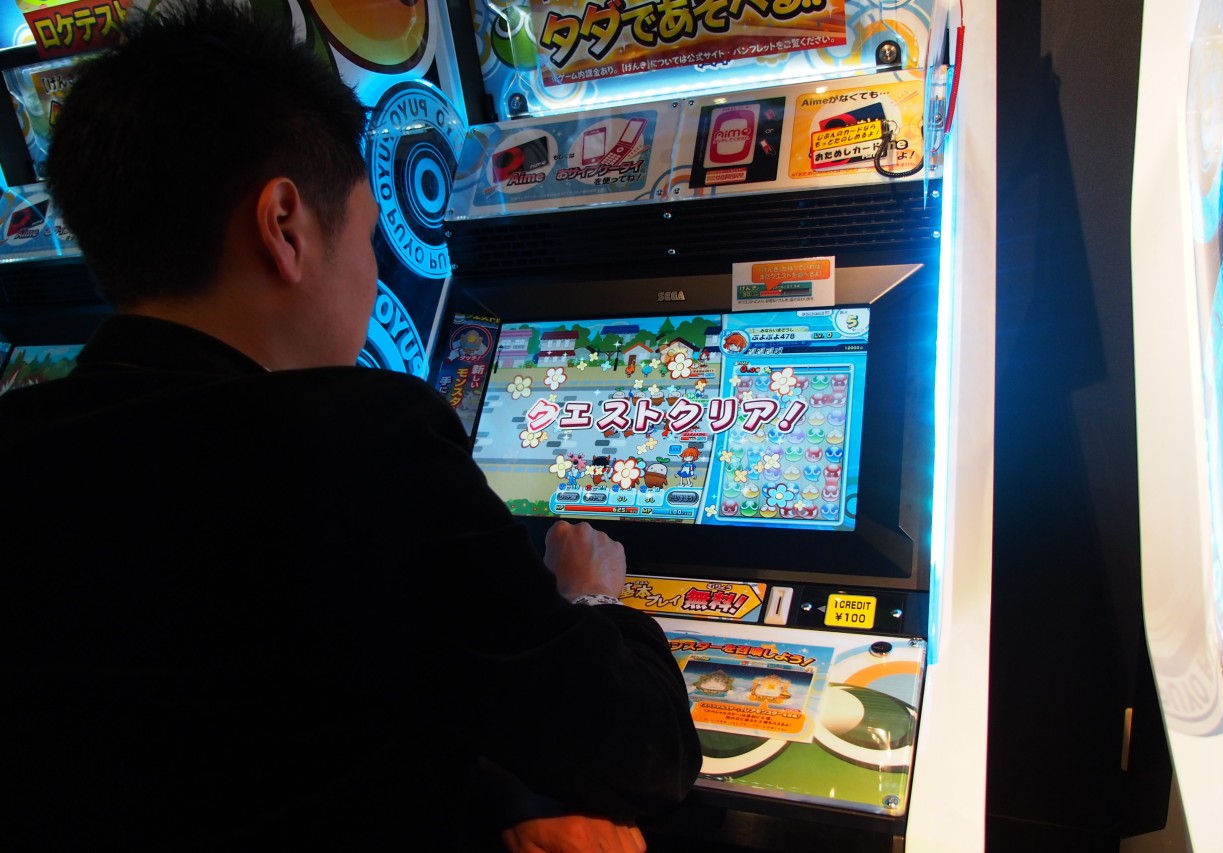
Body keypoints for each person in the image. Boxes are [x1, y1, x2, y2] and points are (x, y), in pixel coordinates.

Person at [0, 1, 701, 850]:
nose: (373, 278)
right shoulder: (362, 446)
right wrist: (592, 600)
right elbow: (646, 750)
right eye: (369, 236)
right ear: (285, 225)